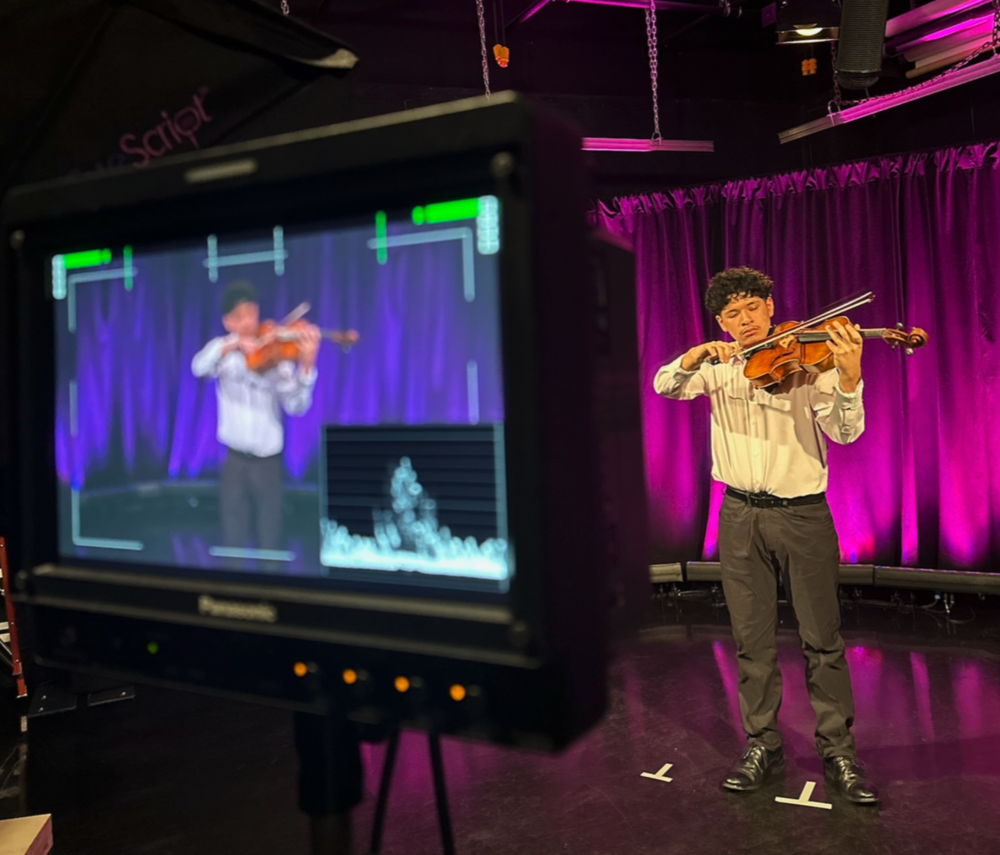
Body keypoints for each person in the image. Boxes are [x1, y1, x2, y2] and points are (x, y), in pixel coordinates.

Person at [653, 266, 878, 805]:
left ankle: (838, 751)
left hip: (802, 515)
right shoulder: (722, 367)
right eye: (732, 314)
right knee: (751, 643)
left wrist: (848, 377)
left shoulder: (806, 361)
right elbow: (665, 384)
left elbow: (847, 432)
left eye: (753, 307)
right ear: (722, 323)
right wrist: (692, 356)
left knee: (822, 640)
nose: (745, 320)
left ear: (771, 307)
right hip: (738, 516)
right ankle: (762, 743)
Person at [191, 279, 321, 565]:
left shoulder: (277, 357)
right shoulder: (222, 352)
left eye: (252, 313)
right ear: (228, 322)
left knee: (270, 539)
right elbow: (198, 366)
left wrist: (307, 366)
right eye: (239, 317)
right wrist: (232, 345)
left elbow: (297, 407)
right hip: (234, 460)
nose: (248, 322)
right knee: (233, 539)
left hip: (268, 463)